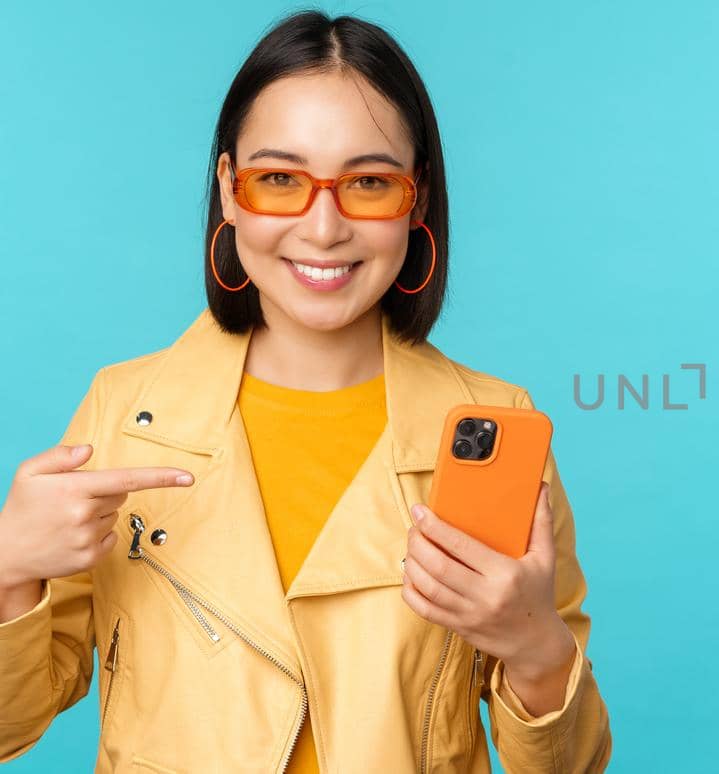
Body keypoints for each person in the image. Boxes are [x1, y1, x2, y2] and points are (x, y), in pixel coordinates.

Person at [0, 11, 611, 772]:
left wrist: (534, 645)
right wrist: (9, 571)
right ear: (229, 189)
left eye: (369, 183)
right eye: (280, 180)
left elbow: (570, 766)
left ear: (416, 200)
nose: (323, 228)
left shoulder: (494, 429)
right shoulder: (125, 411)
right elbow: (9, 726)